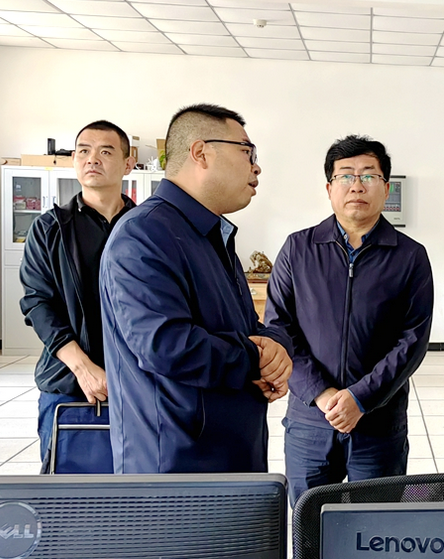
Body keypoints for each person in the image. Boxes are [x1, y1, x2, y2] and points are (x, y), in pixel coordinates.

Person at [100, 103, 292, 473]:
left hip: (228, 450)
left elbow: (240, 328)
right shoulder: (144, 234)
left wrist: (274, 348)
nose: (256, 167)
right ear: (201, 152)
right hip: (178, 466)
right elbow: (165, 345)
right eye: (247, 152)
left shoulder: (210, 234)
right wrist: (255, 358)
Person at [265, 135, 433, 504]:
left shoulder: (410, 257)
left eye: (369, 175)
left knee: (375, 525)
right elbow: (279, 328)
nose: (357, 185)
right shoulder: (298, 249)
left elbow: (413, 340)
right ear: (329, 188)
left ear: (386, 188)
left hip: (378, 422)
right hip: (311, 419)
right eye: (345, 176)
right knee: (309, 522)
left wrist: (360, 398)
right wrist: (321, 393)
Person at [20, 120, 136, 472]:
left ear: (128, 163)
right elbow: (37, 303)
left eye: (106, 151)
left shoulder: (147, 227)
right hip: (70, 382)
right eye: (83, 151)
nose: (92, 159)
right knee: (70, 488)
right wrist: (84, 368)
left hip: (139, 384)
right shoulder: (50, 228)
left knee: (139, 488)